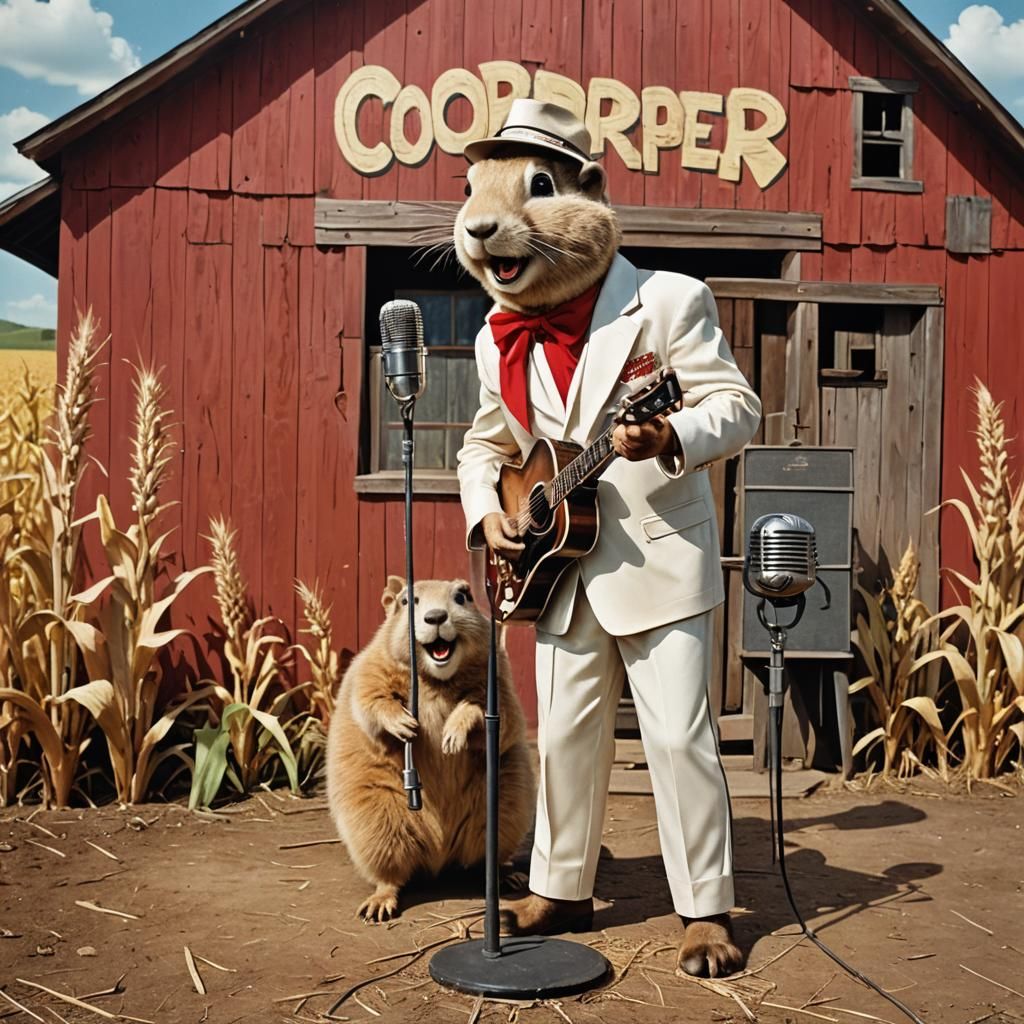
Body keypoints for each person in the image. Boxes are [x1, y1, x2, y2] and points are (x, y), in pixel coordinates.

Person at [455, 99, 762, 976]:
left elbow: (736, 406)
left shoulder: (666, 301)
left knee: (675, 736)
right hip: (556, 564)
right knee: (568, 736)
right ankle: (561, 885)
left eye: (534, 189)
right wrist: (494, 518)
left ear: (588, 192)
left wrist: (672, 437)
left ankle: (704, 907)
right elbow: (489, 443)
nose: (483, 225)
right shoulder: (492, 338)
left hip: (658, 556)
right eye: (476, 195)